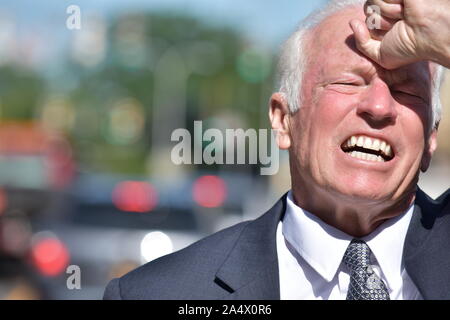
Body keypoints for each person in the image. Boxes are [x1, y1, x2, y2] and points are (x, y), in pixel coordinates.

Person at [103, 0, 450, 300]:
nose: (378, 107)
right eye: (348, 83)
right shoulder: (163, 293)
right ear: (283, 120)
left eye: (407, 93)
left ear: (430, 138)